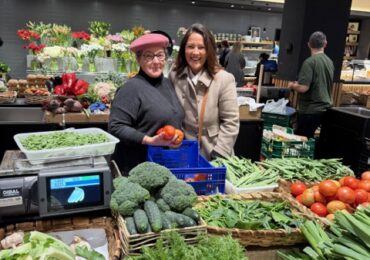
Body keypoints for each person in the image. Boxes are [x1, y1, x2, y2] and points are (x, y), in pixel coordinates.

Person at [109, 33, 184, 174]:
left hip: (164, 165)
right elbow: (116, 127)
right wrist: (149, 140)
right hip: (138, 169)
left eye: (160, 55)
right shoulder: (131, 88)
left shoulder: (168, 84)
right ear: (138, 59)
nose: (156, 61)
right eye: (149, 56)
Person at [169, 23, 240, 160]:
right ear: (184, 49)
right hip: (184, 153)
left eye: (201, 47)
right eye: (190, 47)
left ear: (209, 51)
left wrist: (219, 153)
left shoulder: (224, 79)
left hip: (213, 153)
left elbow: (231, 122)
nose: (195, 52)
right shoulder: (175, 75)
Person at [288, 31, 334, 139]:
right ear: (325, 44)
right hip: (326, 109)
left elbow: (304, 88)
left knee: (301, 143)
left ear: (309, 44)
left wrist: (292, 85)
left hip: (311, 110)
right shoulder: (329, 61)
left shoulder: (309, 62)